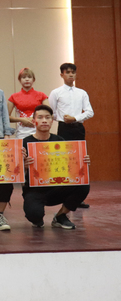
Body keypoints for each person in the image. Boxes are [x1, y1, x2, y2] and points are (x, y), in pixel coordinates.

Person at [22, 105, 91, 229]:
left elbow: (70, 166)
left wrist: (82, 162)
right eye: (40, 117)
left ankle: (61, 216)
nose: (44, 120)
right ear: (33, 121)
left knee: (83, 185)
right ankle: (36, 215)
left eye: (47, 117)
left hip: (57, 187)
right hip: (34, 190)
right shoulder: (25, 143)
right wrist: (24, 166)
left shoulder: (60, 141)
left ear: (52, 121)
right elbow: (17, 172)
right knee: (35, 216)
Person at [49, 62, 94, 209]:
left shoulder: (82, 92)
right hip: (64, 128)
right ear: (61, 75)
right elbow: (52, 113)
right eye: (67, 72)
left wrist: (75, 118)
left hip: (78, 127)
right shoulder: (56, 92)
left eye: (73, 72)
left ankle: (78, 196)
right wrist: (64, 119)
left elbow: (90, 112)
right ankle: (65, 194)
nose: (70, 75)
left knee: (80, 160)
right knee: (65, 160)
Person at [8, 68, 49, 139]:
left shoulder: (42, 95)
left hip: (38, 130)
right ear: (19, 80)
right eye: (24, 77)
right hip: (21, 131)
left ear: (33, 80)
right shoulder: (13, 97)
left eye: (29, 77)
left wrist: (35, 118)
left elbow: (49, 113)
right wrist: (21, 119)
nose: (27, 79)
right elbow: (6, 117)